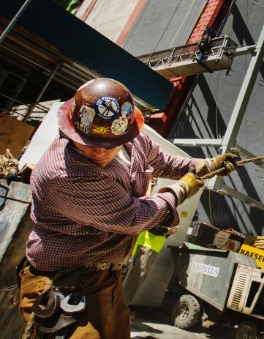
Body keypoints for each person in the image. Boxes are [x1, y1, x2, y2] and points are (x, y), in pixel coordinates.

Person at [17, 78, 240, 338]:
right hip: (64, 278)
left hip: (104, 275)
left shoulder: (132, 141)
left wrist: (204, 165)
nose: (100, 153)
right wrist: (181, 189)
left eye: (110, 145)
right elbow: (134, 217)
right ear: (71, 131)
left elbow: (162, 161)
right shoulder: (64, 173)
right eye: (89, 144)